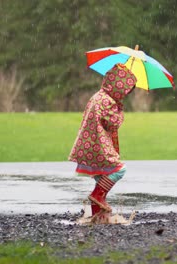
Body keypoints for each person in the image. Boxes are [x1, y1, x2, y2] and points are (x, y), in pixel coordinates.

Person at [68, 63, 136, 223]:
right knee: (119, 169)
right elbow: (112, 124)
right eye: (126, 91)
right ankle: (96, 195)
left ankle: (98, 217)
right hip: (98, 145)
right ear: (119, 88)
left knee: (102, 176)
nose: (125, 95)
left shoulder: (98, 95)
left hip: (87, 144)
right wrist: (120, 113)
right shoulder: (109, 101)